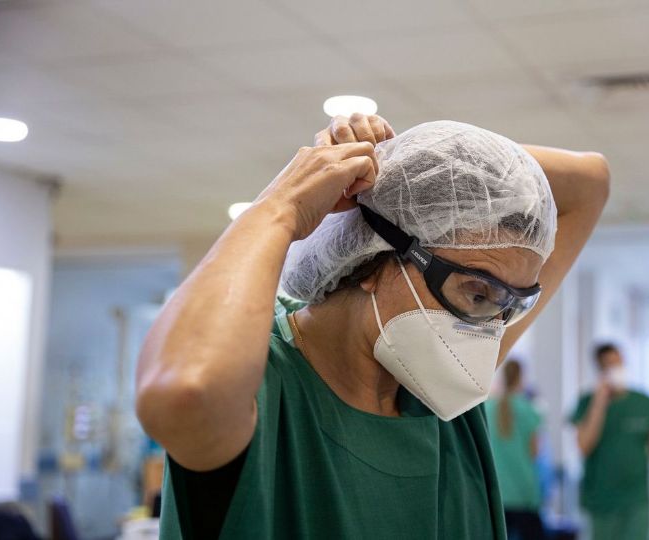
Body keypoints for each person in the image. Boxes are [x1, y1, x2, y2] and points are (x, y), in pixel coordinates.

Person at [136, 114, 610, 538]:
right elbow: (185, 392)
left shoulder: (441, 388)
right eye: (478, 294)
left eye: (512, 305)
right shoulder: (265, 388)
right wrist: (281, 207)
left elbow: (591, 182)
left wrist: (412, 165)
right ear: (375, 260)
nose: (491, 327)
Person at [571, 343, 649, 540]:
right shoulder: (586, 403)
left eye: (618, 362)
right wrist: (599, 405)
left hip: (636, 501)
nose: (615, 368)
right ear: (600, 370)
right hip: (601, 502)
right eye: (608, 365)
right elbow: (584, 446)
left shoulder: (645, 404)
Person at [485, 360, 545, 540]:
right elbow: (535, 453)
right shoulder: (529, 410)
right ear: (521, 378)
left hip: (496, 493)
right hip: (523, 493)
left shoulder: (487, 408)